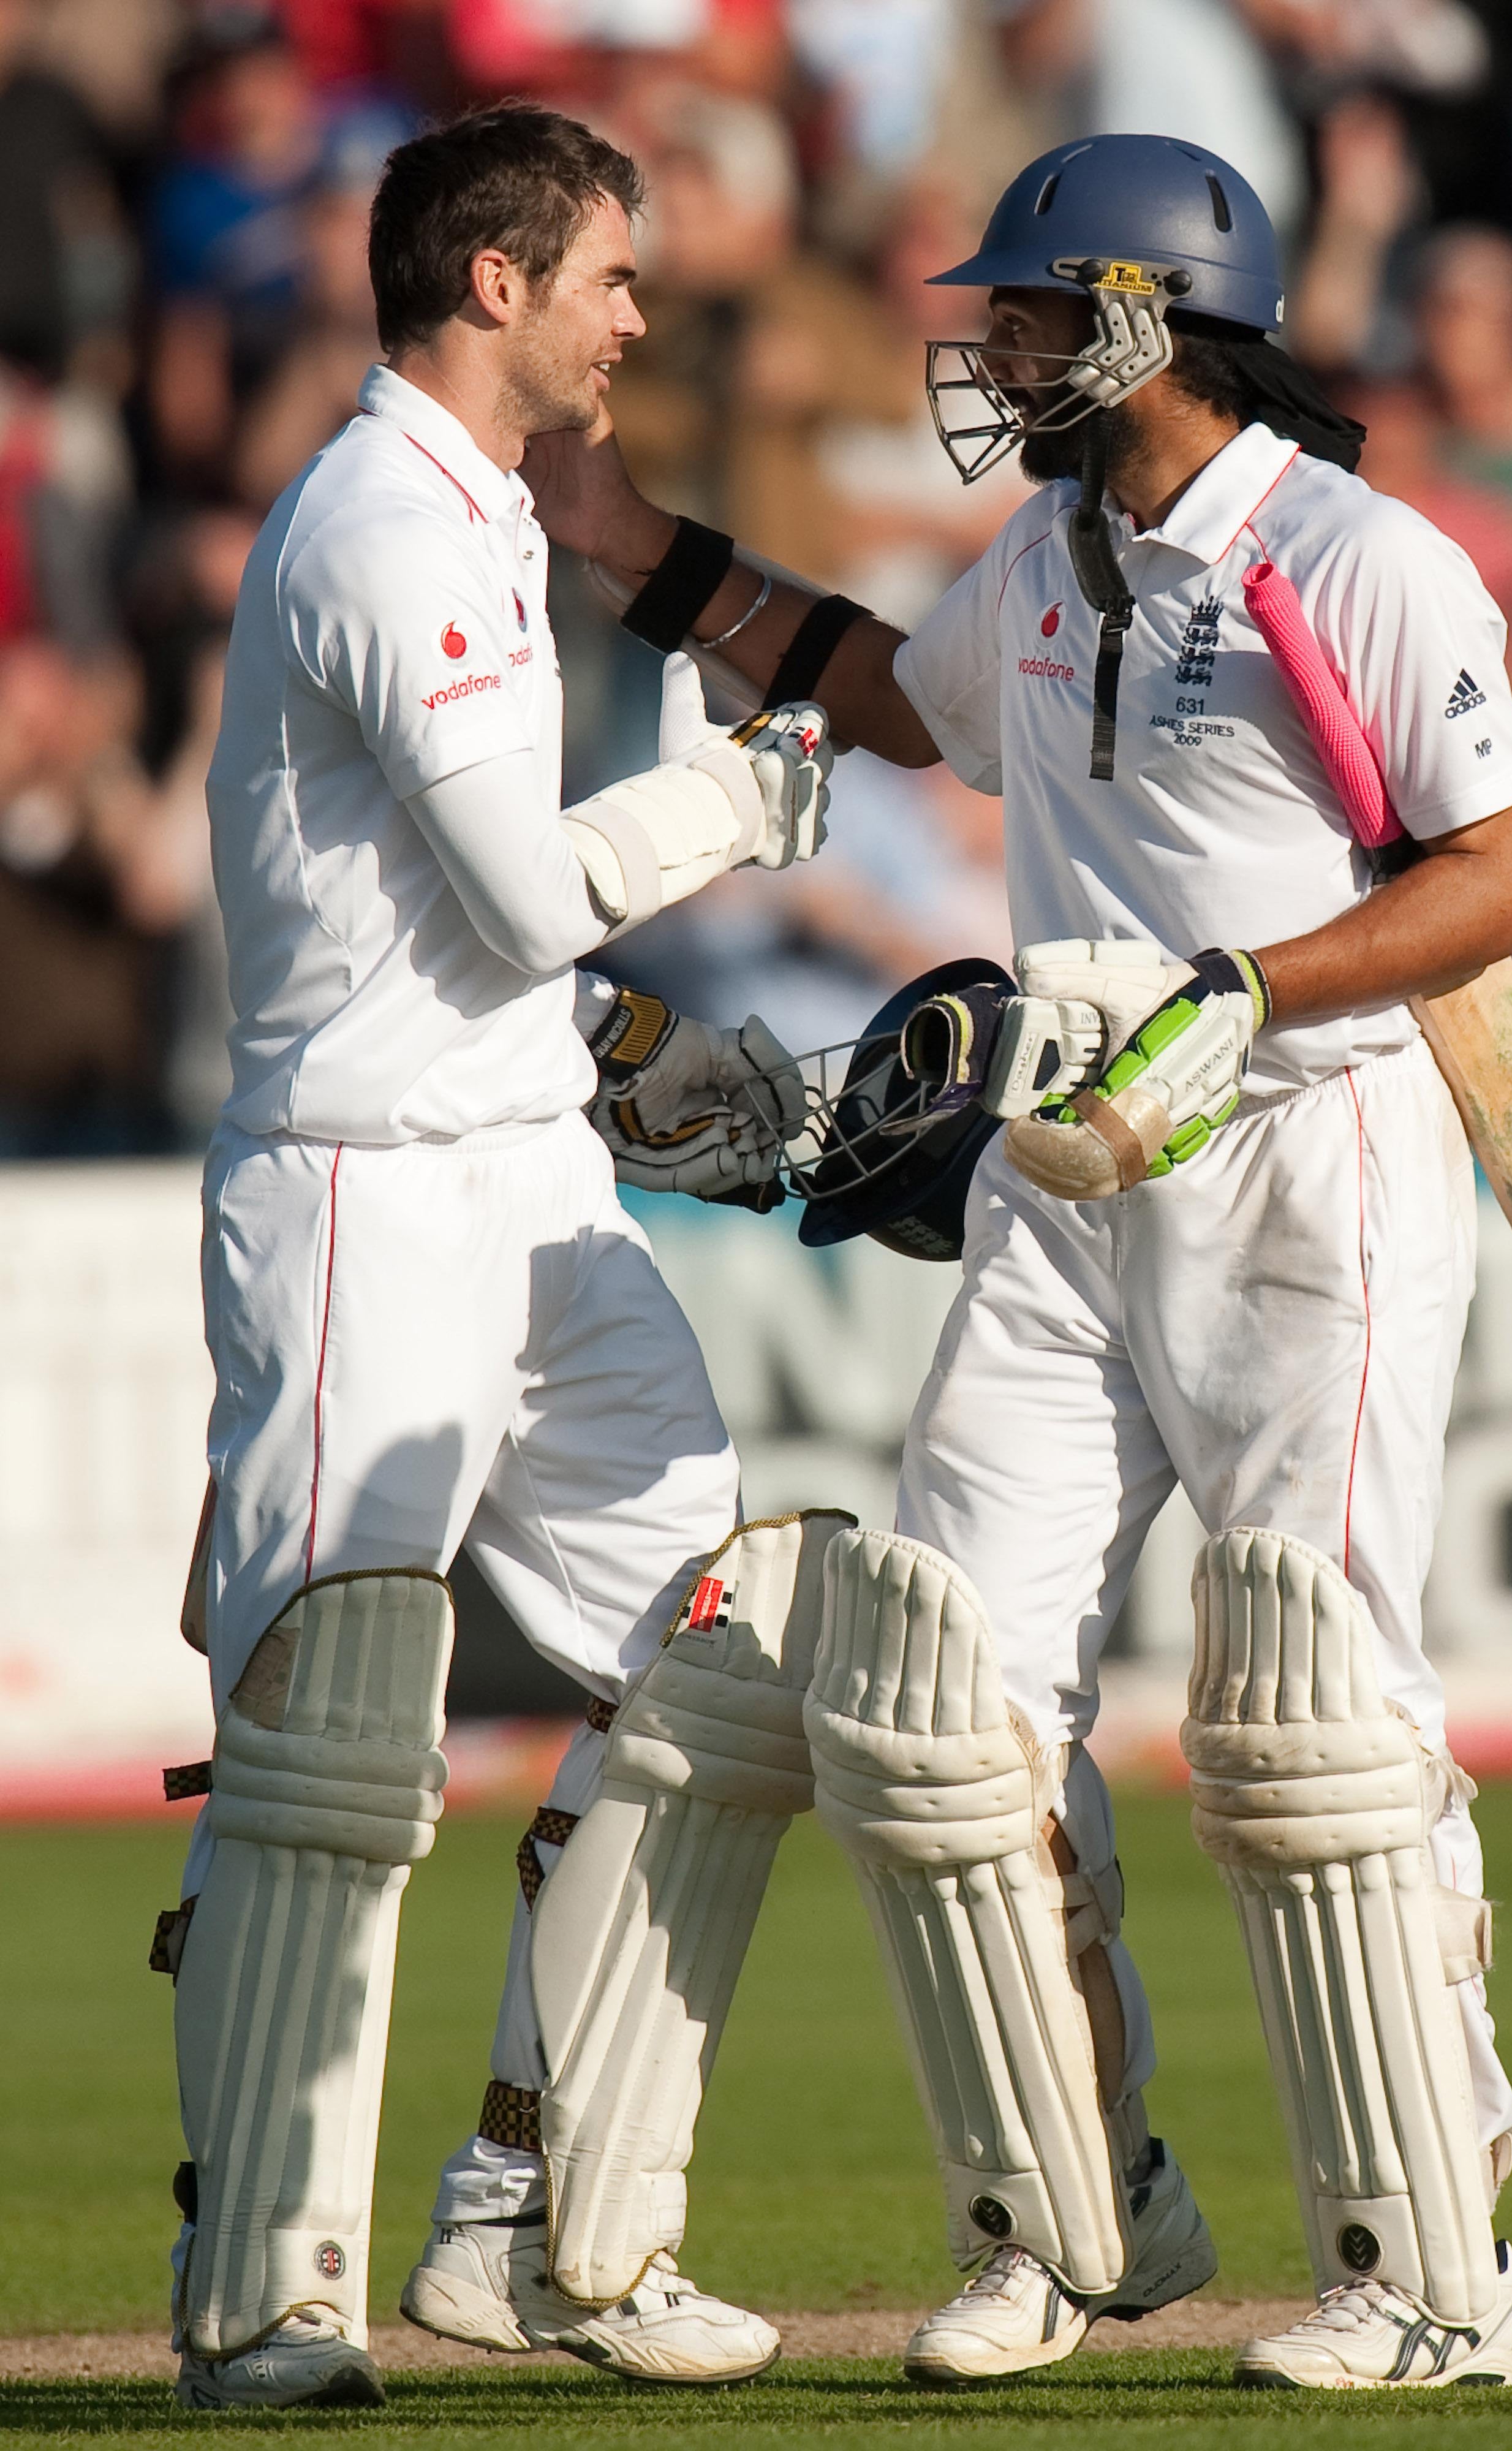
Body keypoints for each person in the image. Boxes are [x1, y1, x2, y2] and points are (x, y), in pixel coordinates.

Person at [532, 132, 1512, 2392]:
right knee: (954, 1714)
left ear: (1143, 323)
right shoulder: (1053, 556)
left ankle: (1434, 2274)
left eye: (1023, 312)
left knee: (1320, 1726)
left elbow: (1502, 879)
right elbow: (903, 693)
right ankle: (1073, 2212)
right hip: (1069, 1174)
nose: (986, 348)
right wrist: (640, 555)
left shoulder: (1361, 560)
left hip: (1313, 1170)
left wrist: (1245, 994)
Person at [156, 104, 834, 2411]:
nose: (641, 313)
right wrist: (742, 794)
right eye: (612, 278)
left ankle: (545, 2224)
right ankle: (265, 2296)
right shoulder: (380, 519)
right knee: (334, 1739)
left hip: (530, 1168)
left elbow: (508, 945)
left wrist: (622, 1046)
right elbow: (525, 891)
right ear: (493, 282)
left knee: (719, 1670)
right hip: (365, 1188)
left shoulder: (473, 514)